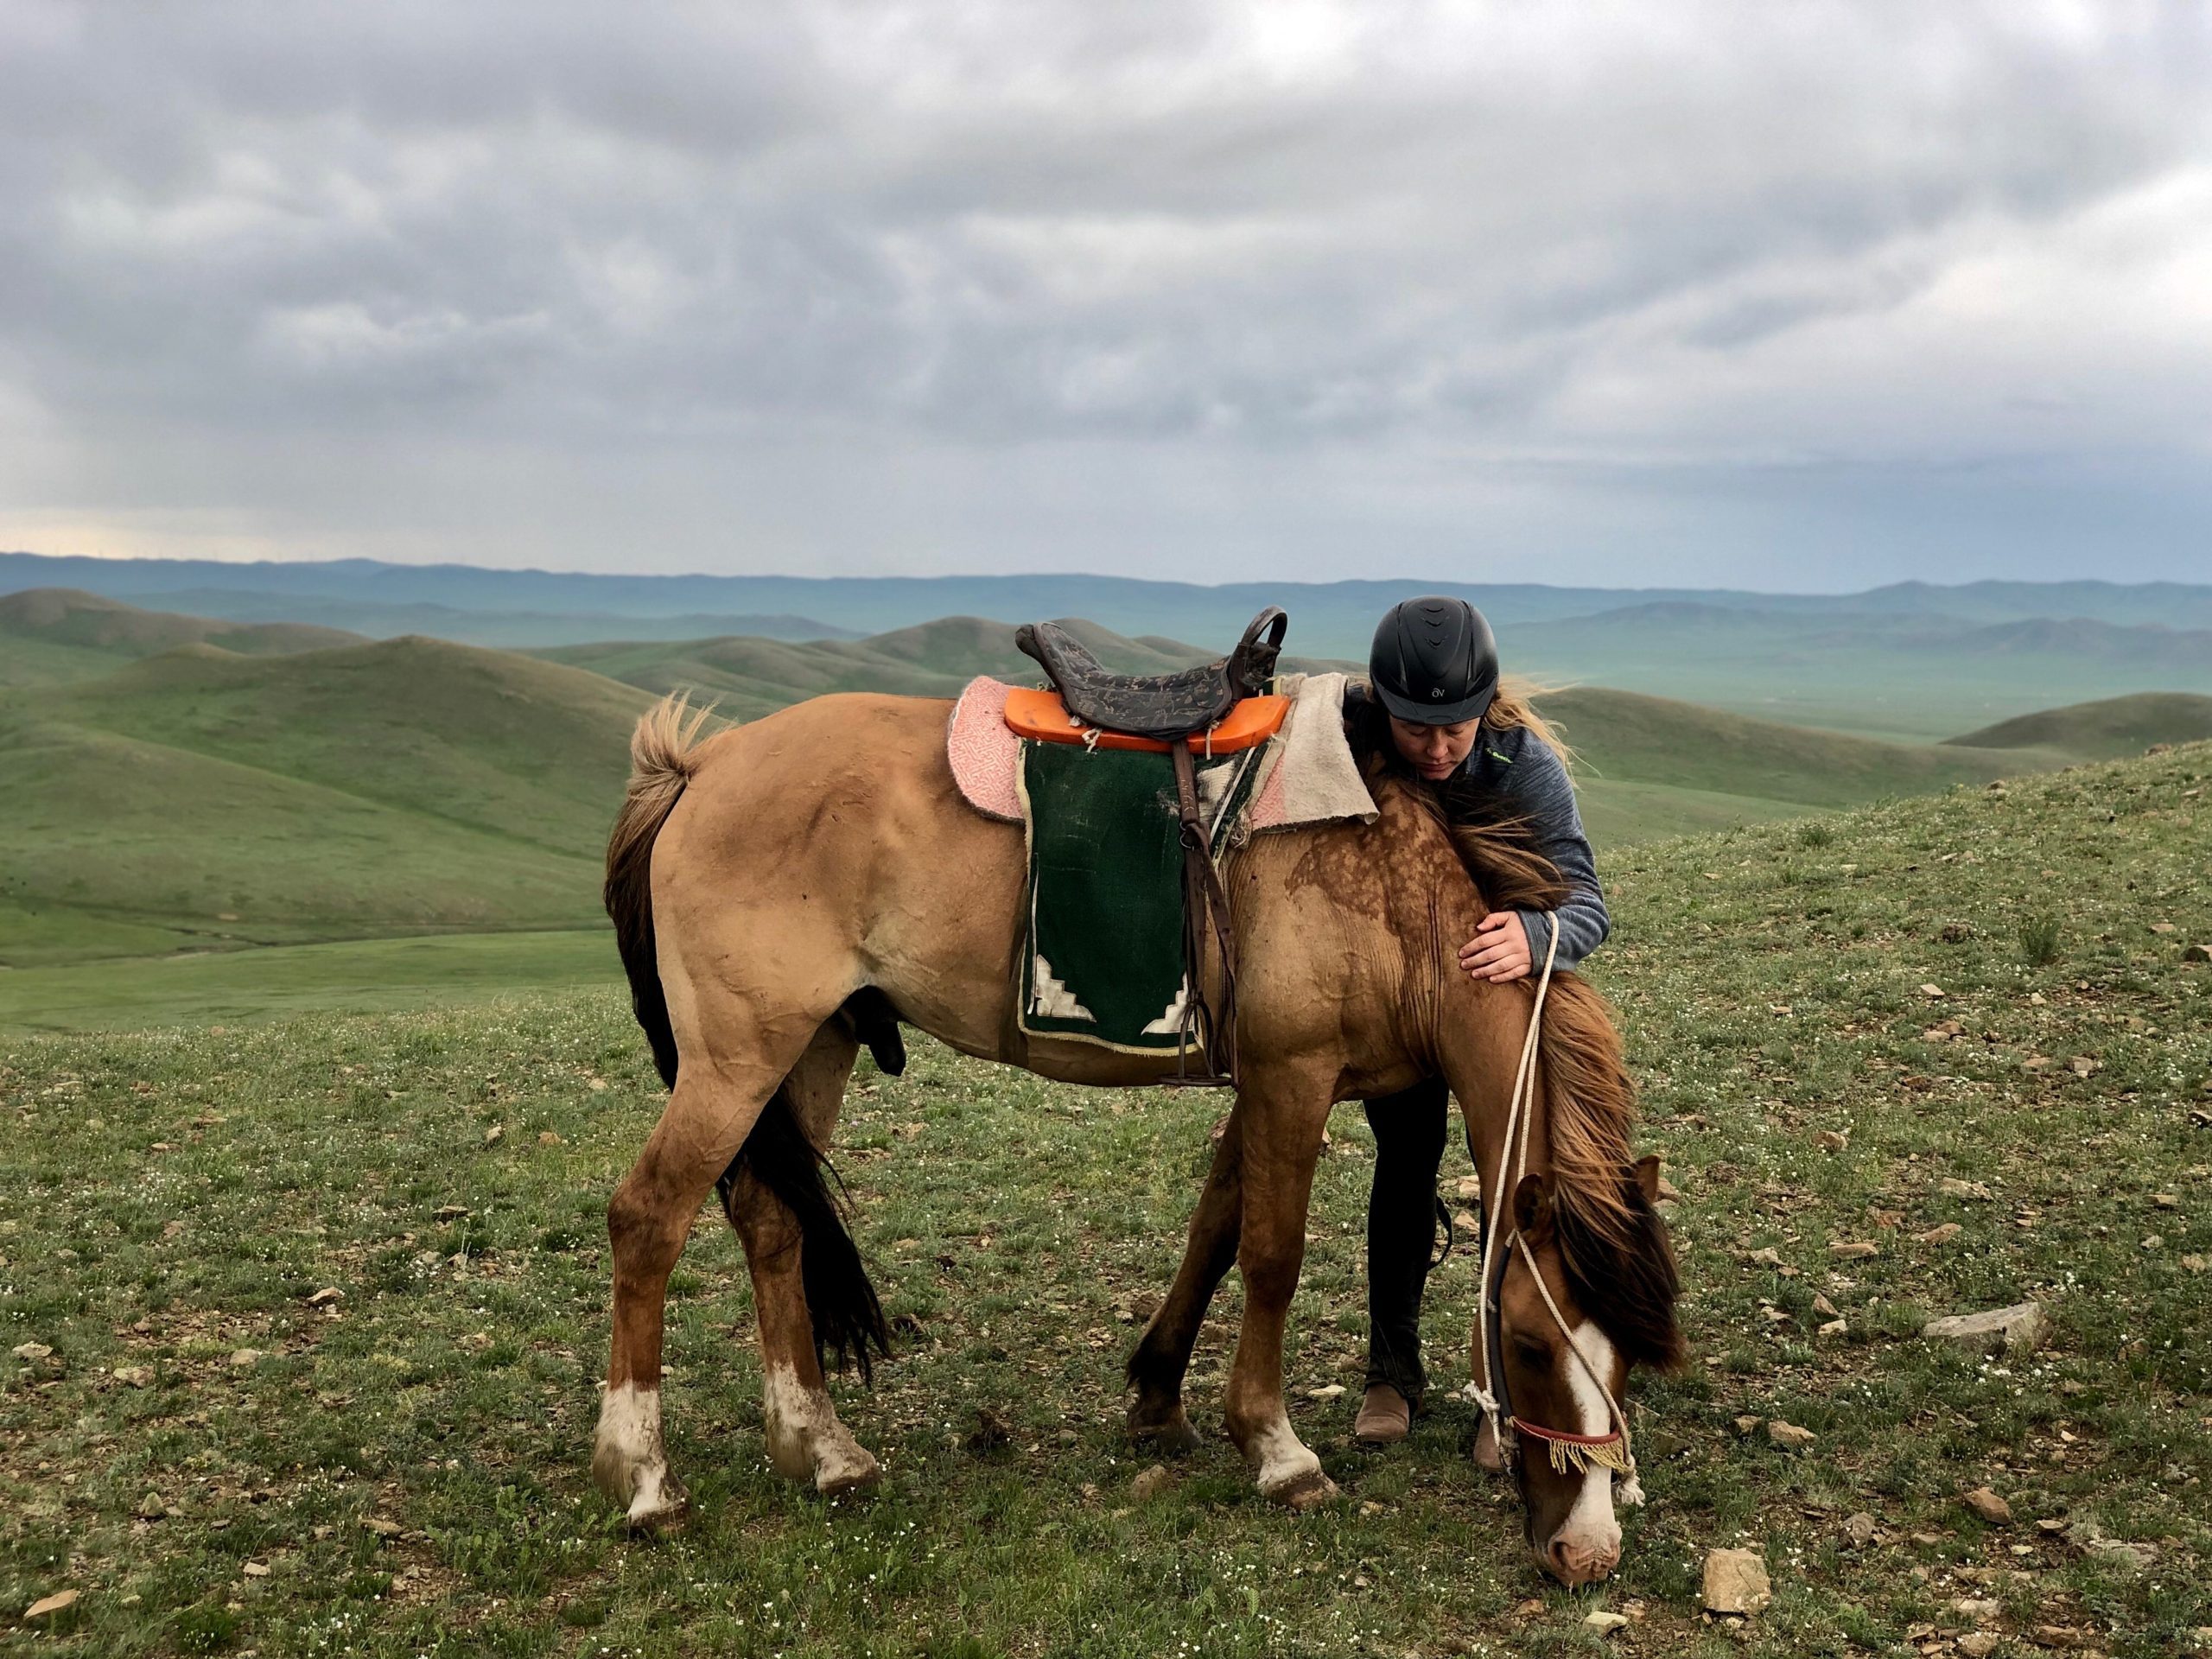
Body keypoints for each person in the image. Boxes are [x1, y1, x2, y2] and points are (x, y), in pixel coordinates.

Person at [1346, 595, 1611, 1446]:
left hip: (1496, 996)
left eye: (1453, 730)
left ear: (1482, 709)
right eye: (1415, 730)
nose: (1435, 749)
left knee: (1517, 1186)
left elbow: (1590, 906)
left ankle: (1503, 1390)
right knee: (1406, 1159)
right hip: (1398, 1004)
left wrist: (1536, 934)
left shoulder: (1521, 763)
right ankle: (1391, 1373)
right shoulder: (1353, 741)